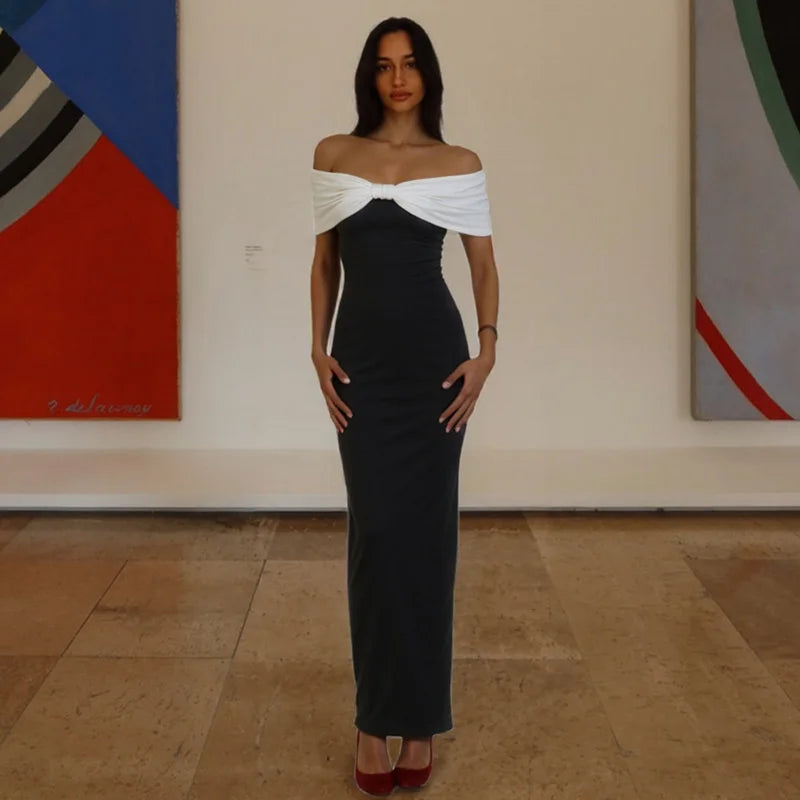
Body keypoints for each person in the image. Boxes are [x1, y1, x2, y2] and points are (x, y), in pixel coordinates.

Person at [309, 16, 499, 796]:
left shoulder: (458, 163)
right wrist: (316, 351)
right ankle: (369, 717)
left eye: (411, 63)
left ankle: (419, 719)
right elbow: (323, 262)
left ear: (428, 75)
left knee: (428, 539)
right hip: (361, 371)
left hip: (433, 372)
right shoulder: (334, 155)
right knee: (375, 537)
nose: (398, 78)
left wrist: (487, 351)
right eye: (385, 65)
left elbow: (483, 264)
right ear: (369, 75)